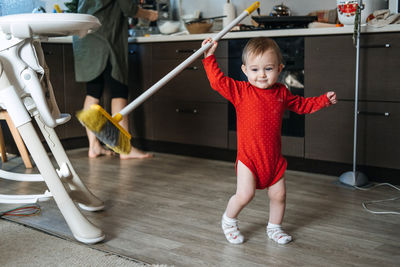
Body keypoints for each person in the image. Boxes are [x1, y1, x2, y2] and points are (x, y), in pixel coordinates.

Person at [201, 37, 337, 245]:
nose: (262, 75)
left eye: (268, 68)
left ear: (279, 69)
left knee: (279, 195)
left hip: (273, 159)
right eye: (255, 70)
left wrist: (323, 100)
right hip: (249, 158)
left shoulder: (282, 92)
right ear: (245, 70)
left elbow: (302, 105)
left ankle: (274, 227)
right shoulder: (241, 91)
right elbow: (217, 81)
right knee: (245, 194)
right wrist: (209, 56)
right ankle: (229, 220)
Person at [72, 0, 158, 159]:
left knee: (93, 92)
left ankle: (94, 147)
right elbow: (129, 8)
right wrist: (150, 14)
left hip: (86, 38)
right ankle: (125, 150)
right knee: (119, 90)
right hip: (105, 39)